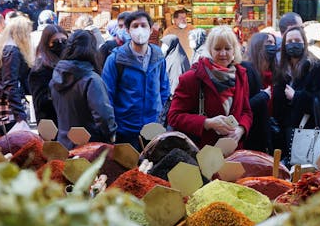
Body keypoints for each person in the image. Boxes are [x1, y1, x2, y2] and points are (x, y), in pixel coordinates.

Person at [168, 25, 253, 149]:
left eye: (227, 48)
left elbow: (246, 111)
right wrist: (207, 123)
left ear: (234, 50)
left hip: (233, 153)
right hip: (201, 154)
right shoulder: (192, 78)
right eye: (218, 49)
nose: (223, 53)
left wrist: (241, 129)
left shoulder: (240, 75)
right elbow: (174, 117)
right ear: (210, 50)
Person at [102, 11, 170, 149]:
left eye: (144, 25)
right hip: (125, 130)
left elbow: (164, 88)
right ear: (127, 30)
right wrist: (112, 126)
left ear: (151, 30)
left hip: (153, 129)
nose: (140, 29)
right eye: (135, 26)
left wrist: (159, 117)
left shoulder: (158, 57)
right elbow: (106, 96)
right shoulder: (115, 60)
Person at [273, 25, 320, 160]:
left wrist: (297, 97)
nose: (293, 44)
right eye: (289, 42)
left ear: (304, 42)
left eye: (297, 40)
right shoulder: (281, 70)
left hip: (309, 134)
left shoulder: (318, 67)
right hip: (285, 135)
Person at [50, 30, 117, 149]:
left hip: (63, 144)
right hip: (89, 148)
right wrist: (110, 136)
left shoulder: (56, 76)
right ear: (92, 50)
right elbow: (104, 116)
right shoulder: (91, 80)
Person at [0, 15, 34, 135]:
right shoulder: (12, 51)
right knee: (11, 144)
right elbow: (10, 84)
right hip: (5, 105)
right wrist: (20, 114)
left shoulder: (3, 47)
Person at [242, 32, 276, 153]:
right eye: (268, 43)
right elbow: (242, 106)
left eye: (274, 43)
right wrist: (263, 96)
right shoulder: (246, 71)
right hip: (251, 133)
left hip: (271, 132)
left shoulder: (275, 73)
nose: (272, 46)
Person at [28, 25, 68, 126]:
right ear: (46, 44)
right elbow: (41, 102)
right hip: (50, 123)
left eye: (64, 41)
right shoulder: (40, 69)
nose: (60, 44)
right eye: (54, 42)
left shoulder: (68, 62)